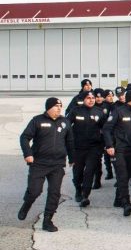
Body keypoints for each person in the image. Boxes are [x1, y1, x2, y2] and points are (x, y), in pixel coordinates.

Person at [18, 98, 75, 232]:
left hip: (57, 164)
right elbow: (24, 137)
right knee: (35, 191)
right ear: (48, 107)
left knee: (54, 193)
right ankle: (26, 204)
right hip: (39, 163)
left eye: (60, 106)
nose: (59, 108)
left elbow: (70, 141)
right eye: (56, 106)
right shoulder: (37, 120)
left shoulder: (65, 122)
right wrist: (28, 154)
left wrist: (72, 158)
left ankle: (47, 220)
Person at [103, 90, 131, 216]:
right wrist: (109, 145)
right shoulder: (118, 111)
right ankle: (126, 203)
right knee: (122, 176)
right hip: (119, 149)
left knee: (127, 175)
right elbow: (106, 129)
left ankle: (118, 200)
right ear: (129, 100)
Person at [68, 91, 105, 207]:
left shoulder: (99, 112)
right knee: (78, 173)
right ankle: (78, 190)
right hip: (78, 148)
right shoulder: (75, 111)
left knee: (89, 172)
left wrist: (103, 145)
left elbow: (106, 130)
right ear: (83, 99)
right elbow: (67, 127)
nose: (91, 100)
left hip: (93, 148)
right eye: (88, 98)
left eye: (93, 98)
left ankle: (85, 195)